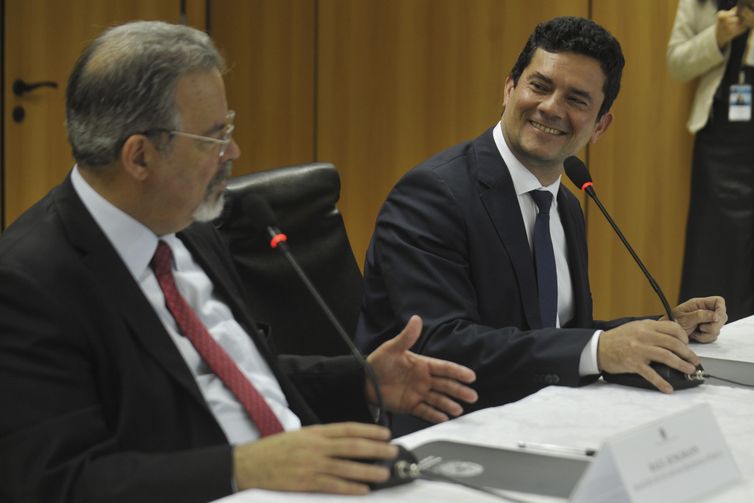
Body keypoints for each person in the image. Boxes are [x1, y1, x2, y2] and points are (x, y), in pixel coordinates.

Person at [0, 21, 480, 502]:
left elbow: (239, 373)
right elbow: (57, 481)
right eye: (213, 137)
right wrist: (242, 468)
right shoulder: (30, 282)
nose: (233, 151)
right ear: (139, 157)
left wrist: (362, 381)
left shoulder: (190, 226)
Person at [355, 16, 727, 429]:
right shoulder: (432, 194)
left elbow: (554, 332)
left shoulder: (566, 203)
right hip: (441, 430)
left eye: (577, 99)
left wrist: (657, 332)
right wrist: (599, 348)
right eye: (540, 86)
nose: (551, 107)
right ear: (509, 88)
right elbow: (438, 345)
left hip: (539, 419)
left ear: (601, 125)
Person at [668, 0, 754, 322]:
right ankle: (706, 339)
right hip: (720, 141)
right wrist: (715, 37)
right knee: (712, 250)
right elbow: (676, 63)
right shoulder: (698, 3)